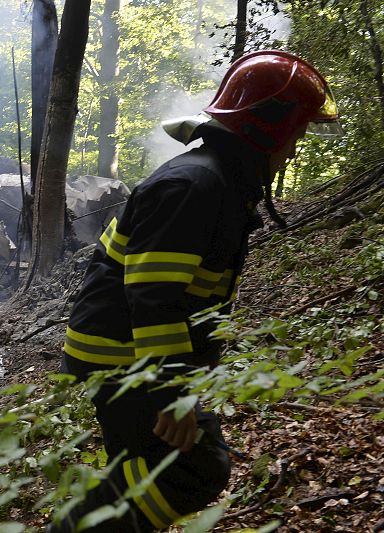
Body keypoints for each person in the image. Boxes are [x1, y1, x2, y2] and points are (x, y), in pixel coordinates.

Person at [49, 50, 342, 533]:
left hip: (132, 355)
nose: (293, 150)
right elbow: (155, 297)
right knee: (194, 466)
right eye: (297, 134)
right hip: (122, 357)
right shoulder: (196, 186)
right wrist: (173, 395)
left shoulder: (219, 180)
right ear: (270, 128)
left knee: (149, 466)